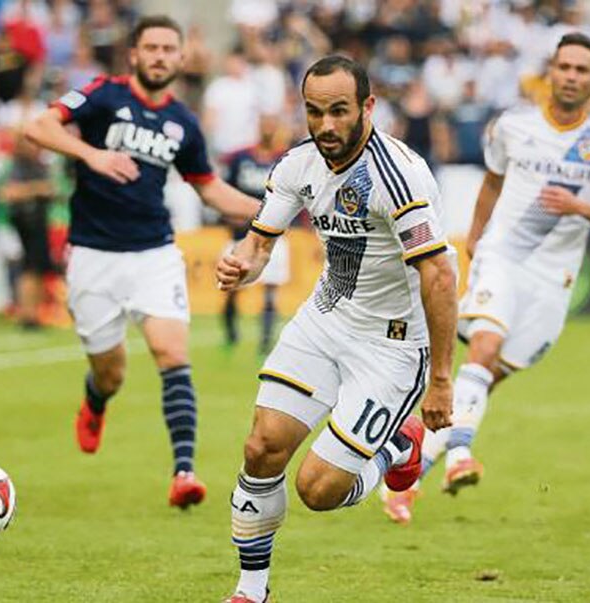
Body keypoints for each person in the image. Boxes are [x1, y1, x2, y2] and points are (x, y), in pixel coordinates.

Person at [216, 55, 458, 603]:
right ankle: (250, 591)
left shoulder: (398, 178)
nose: (326, 125)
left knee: (318, 491)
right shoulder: (298, 165)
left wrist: (441, 380)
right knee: (261, 447)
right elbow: (260, 243)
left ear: (368, 107)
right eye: (315, 112)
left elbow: (439, 276)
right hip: (325, 320)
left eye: (340, 112)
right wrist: (241, 265)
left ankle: (399, 448)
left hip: (392, 345)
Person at [382, 33, 590, 524]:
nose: (570, 76)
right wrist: (476, 237)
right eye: (563, 66)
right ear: (550, 71)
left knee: (485, 379)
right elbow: (492, 183)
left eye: (582, 69)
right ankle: (459, 456)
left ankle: (406, 472)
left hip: (554, 278)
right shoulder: (513, 125)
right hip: (503, 254)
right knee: (482, 347)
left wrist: (579, 206)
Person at [23, 15, 260, 508]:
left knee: (173, 354)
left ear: (180, 57)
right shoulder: (103, 95)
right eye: (150, 47)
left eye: (168, 49)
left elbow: (209, 189)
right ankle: (95, 401)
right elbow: (38, 125)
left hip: (154, 252)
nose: (158, 56)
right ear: (133, 54)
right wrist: (90, 155)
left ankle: (184, 473)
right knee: (111, 373)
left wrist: (272, 211)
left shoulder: (183, 123)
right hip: (93, 254)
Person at [221, 114, 291, 354]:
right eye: (264, 124)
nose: (268, 129)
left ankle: (265, 340)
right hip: (240, 233)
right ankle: (230, 333)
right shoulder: (240, 158)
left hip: (273, 235)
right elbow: (225, 189)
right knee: (230, 286)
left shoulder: (284, 160)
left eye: (272, 124)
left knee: (271, 289)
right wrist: (230, 215)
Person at [0, 134, 54, 329]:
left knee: (37, 269)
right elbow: (7, 193)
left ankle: (34, 314)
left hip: (37, 221)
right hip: (24, 223)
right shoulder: (17, 166)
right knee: (29, 269)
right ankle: (27, 315)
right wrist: (37, 188)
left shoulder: (36, 164)